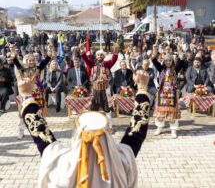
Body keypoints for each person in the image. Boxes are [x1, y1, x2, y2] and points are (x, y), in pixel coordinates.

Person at [17, 68, 149, 188]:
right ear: (107, 133)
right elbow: (137, 130)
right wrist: (142, 88)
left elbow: (41, 133)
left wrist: (27, 96)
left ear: (78, 134)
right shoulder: (122, 163)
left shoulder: (62, 166)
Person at [80, 45, 118, 128]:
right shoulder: (92, 63)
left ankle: (110, 126)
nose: (99, 56)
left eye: (101, 55)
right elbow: (86, 59)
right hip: (95, 90)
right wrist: (82, 50)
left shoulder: (107, 64)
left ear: (103, 56)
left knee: (108, 109)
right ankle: (94, 125)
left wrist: (115, 52)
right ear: (96, 56)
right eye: (98, 55)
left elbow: (113, 59)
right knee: (94, 108)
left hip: (106, 90)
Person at [152, 45, 184, 138]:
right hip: (162, 93)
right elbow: (154, 60)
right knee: (160, 112)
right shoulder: (161, 69)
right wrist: (155, 49)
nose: (168, 62)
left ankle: (173, 130)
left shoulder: (175, 69)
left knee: (172, 112)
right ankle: (159, 128)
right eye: (166, 61)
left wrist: (180, 51)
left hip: (172, 94)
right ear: (164, 62)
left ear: (172, 61)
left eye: (170, 60)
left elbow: (181, 62)